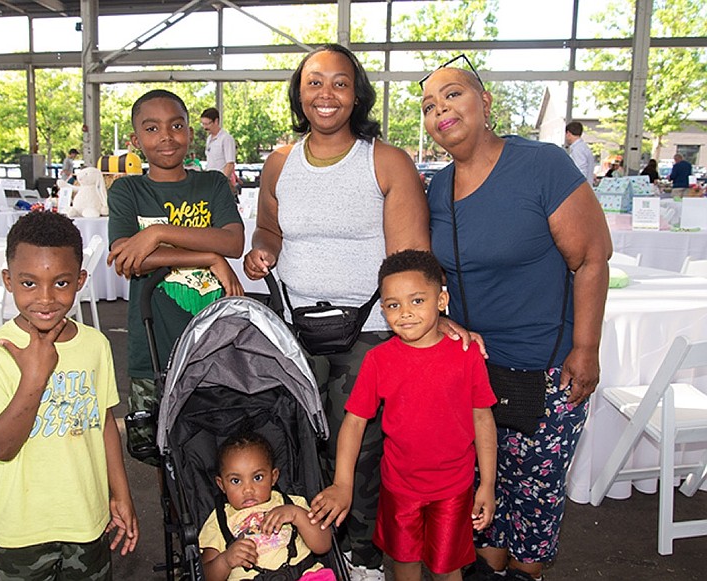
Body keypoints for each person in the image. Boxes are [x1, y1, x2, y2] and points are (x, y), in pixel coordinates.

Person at [243, 43, 434, 580]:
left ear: (358, 95)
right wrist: (263, 252)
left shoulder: (385, 161)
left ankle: (363, 555)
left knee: (365, 450)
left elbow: (411, 259)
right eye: (314, 83)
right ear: (298, 94)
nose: (326, 94)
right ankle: (307, 547)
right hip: (295, 327)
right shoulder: (280, 163)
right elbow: (268, 230)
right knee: (303, 437)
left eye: (340, 83)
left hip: (369, 331)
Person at [420, 61, 611, 581]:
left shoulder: (542, 165)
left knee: (533, 500)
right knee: (486, 491)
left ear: (486, 103)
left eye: (452, 95)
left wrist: (586, 348)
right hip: (474, 372)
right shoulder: (437, 189)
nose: (441, 111)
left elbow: (592, 257)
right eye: (429, 106)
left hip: (547, 369)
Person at [0, 210, 138, 580]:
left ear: (80, 280)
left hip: (87, 518)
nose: (45, 298)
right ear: (8, 281)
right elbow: (1, 446)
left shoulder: (94, 344)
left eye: (60, 283)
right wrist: (35, 376)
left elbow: (104, 422)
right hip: (19, 528)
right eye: (29, 283)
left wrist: (120, 494)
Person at [309, 250, 497, 581]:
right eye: (393, 305)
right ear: (382, 310)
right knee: (404, 565)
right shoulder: (378, 360)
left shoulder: (466, 356)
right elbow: (354, 421)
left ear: (441, 301)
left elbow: (483, 419)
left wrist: (488, 485)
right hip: (399, 488)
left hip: (453, 488)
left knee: (447, 570)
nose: (405, 313)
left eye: (417, 301)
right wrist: (342, 482)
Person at [107, 89, 244, 461]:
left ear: (190, 132)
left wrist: (157, 234)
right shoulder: (127, 190)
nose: (166, 136)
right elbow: (125, 257)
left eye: (176, 125)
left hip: (215, 344)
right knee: (160, 451)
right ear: (136, 141)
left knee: (222, 447)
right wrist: (207, 256)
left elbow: (233, 241)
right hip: (154, 344)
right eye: (152, 129)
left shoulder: (212, 183)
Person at [200, 431, 333, 581]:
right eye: (236, 481)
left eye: (257, 478)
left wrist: (296, 515)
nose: (248, 489)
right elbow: (206, 576)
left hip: (303, 574)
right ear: (221, 485)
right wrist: (225, 560)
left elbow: (324, 545)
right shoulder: (219, 519)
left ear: (273, 477)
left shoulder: (292, 504)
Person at [201, 107, 237, 181]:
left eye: (207, 124)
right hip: (210, 181)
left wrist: (222, 183)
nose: (205, 127)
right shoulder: (209, 139)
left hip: (220, 182)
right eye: (203, 124)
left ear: (216, 121)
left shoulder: (226, 138)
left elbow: (230, 164)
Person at [564, 121, 595, 186]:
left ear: (568, 133)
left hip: (580, 188)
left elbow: (580, 170)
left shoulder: (577, 149)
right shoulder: (583, 147)